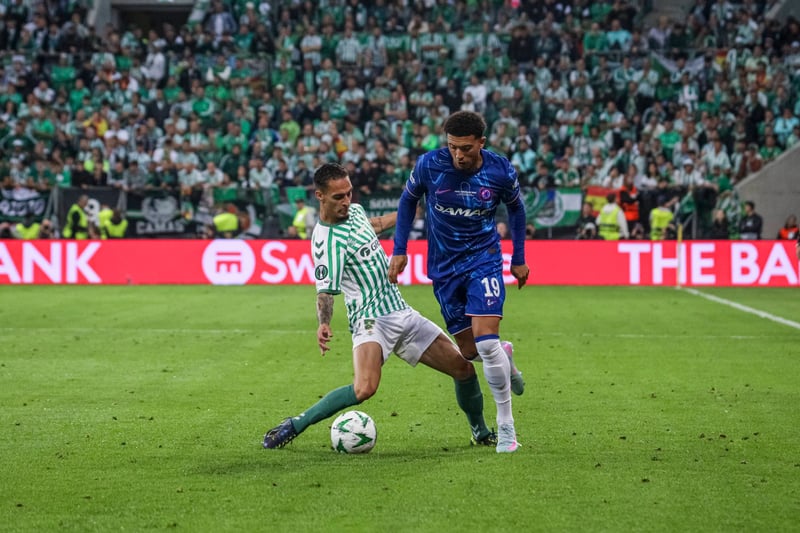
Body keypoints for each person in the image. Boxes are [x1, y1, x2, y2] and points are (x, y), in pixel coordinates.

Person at [263, 163, 497, 450]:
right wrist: (323, 323)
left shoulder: (355, 212)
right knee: (364, 388)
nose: (346, 201)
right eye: (338, 197)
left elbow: (373, 224)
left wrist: (408, 212)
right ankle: (295, 424)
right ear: (319, 196)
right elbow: (325, 292)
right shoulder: (326, 242)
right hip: (370, 320)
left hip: (401, 311)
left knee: (463, 369)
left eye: (349, 193)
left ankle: (481, 433)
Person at [388, 111, 528, 453]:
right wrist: (399, 249)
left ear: (481, 143)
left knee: (486, 343)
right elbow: (408, 200)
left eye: (465, 148)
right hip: (444, 268)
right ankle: (505, 356)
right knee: (469, 351)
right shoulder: (429, 165)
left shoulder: (499, 170)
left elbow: (517, 209)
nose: (458, 155)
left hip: (484, 261)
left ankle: (506, 428)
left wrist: (519, 257)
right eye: (453, 147)